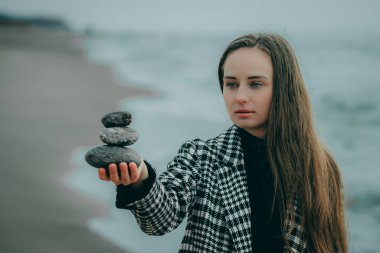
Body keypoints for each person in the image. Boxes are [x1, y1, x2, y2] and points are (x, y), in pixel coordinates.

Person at [98, 33, 348, 253]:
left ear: (284, 88)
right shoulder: (202, 156)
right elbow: (161, 218)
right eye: (231, 84)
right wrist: (140, 177)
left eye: (255, 84)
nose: (240, 97)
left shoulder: (319, 166)